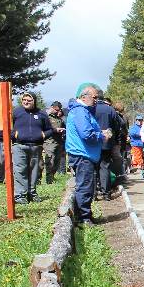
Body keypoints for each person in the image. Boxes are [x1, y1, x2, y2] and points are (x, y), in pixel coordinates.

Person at [66, 83, 111, 226]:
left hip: (85, 154)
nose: (96, 99)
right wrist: (101, 135)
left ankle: (86, 215)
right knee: (85, 186)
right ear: (84, 97)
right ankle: (83, 219)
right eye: (94, 97)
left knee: (86, 185)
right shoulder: (80, 111)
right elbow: (86, 134)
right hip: (82, 155)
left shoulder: (82, 111)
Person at [12, 92, 52, 203]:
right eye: (24, 99)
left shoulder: (41, 114)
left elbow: (49, 129)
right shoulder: (16, 112)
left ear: (34, 101)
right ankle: (20, 195)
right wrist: (15, 135)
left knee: (34, 171)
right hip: (19, 146)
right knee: (20, 170)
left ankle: (32, 193)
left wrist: (43, 135)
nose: (26, 102)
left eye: (29, 100)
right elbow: (8, 126)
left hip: (36, 147)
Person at [92, 90, 121, 200]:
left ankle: (93, 193)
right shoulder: (110, 109)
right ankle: (106, 193)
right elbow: (118, 125)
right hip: (107, 143)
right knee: (105, 167)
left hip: (93, 143)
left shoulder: (90, 108)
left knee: (94, 168)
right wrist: (114, 138)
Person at [43, 101, 66, 184]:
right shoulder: (46, 117)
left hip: (59, 141)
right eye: (56, 110)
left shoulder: (59, 119)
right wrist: (54, 130)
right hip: (50, 142)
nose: (57, 112)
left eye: (59, 110)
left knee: (57, 161)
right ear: (52, 107)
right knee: (50, 160)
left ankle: (52, 176)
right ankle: (49, 180)